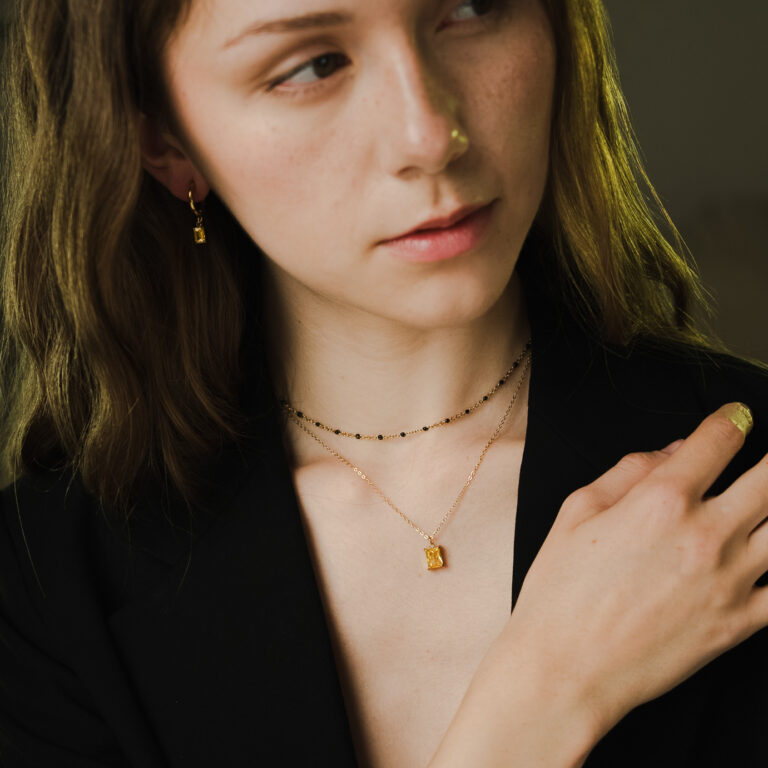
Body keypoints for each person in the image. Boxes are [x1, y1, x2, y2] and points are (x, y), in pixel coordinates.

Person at [1, 0, 767, 766]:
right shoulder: (40, 587)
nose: (430, 137)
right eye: (312, 66)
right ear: (165, 142)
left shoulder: (748, 483)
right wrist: (548, 692)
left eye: (471, 6)